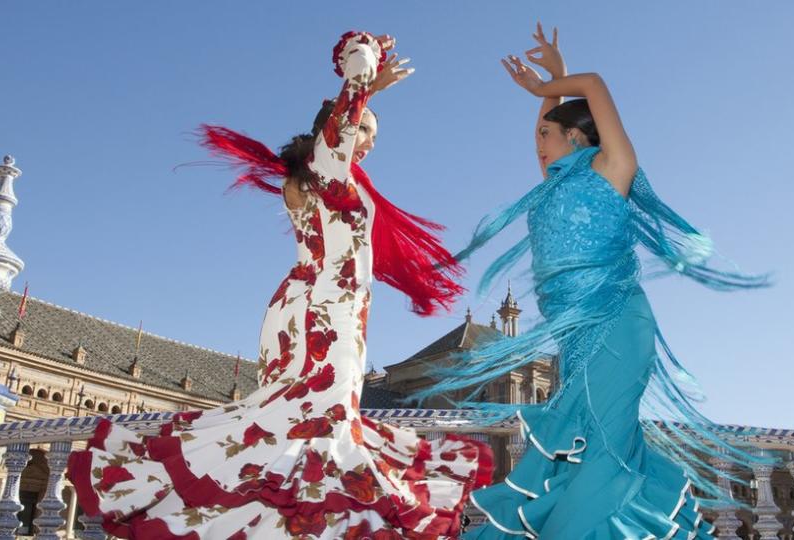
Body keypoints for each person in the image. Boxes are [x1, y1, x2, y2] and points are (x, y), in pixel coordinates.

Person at [68, 31, 492, 540]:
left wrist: (364, 97)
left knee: (298, 424)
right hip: (323, 311)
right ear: (340, 127)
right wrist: (366, 80)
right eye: (366, 129)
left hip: (315, 306)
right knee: (317, 426)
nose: (372, 139)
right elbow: (343, 116)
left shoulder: (324, 177)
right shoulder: (325, 169)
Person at [414, 24, 770, 539]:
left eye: (546, 134)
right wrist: (554, 82)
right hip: (575, 336)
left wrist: (551, 87)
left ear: (576, 138)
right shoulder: (553, 188)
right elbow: (555, 118)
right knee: (586, 443)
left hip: (618, 324)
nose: (537, 144)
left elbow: (598, 85)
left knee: (604, 443)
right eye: (537, 134)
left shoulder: (612, 170)